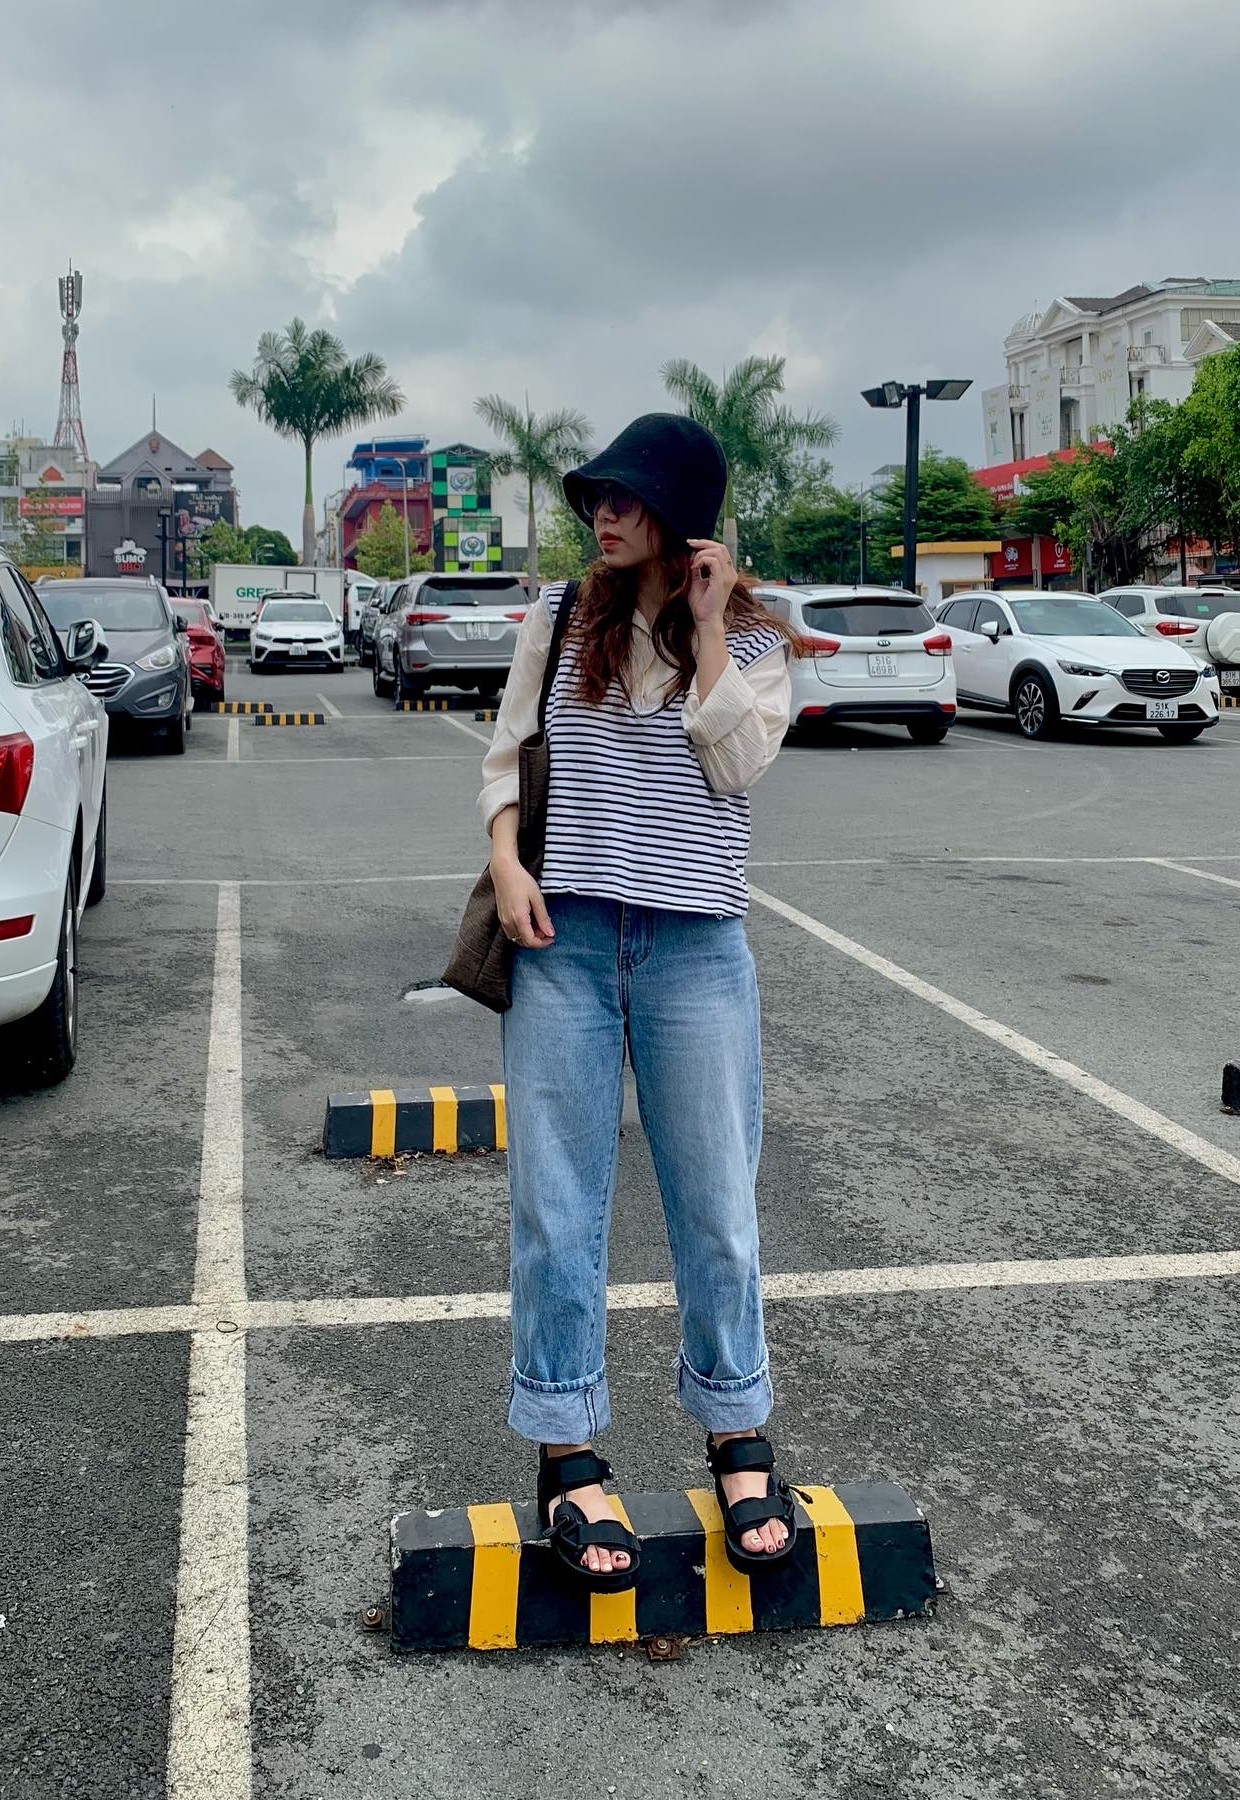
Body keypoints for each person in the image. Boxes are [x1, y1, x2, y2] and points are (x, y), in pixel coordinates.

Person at [477, 413, 803, 1592]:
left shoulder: (755, 640)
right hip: (564, 942)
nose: (603, 517)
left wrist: (707, 627)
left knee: (717, 1206)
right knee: (557, 1208)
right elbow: (507, 757)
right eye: (596, 500)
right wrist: (507, 863)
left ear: (680, 515)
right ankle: (568, 1455)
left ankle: (737, 1433)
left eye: (626, 499)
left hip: (695, 952)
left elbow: (739, 763)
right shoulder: (559, 620)